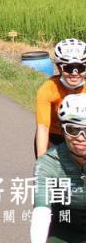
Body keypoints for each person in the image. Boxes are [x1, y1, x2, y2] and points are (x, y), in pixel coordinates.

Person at [30, 93, 86, 243]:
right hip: (62, 228)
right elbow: (41, 212)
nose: (81, 137)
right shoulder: (48, 163)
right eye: (73, 130)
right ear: (62, 130)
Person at [35, 38, 86, 158]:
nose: (74, 73)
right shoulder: (48, 89)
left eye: (80, 68)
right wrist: (42, 164)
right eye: (68, 68)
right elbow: (43, 128)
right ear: (58, 68)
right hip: (54, 137)